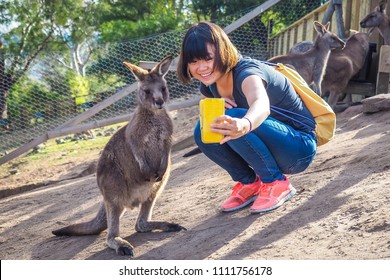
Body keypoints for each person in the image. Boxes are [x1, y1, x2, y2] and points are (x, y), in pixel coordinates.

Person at [176, 21, 317, 213]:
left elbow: (261, 104)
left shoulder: (247, 72)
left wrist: (245, 123)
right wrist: (208, 106)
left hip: (298, 149)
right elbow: (208, 114)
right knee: (203, 130)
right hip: (274, 148)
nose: (201, 68)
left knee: (231, 117)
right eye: (193, 62)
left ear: (223, 52)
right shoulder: (209, 84)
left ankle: (276, 182)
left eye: (207, 59)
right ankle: (250, 183)